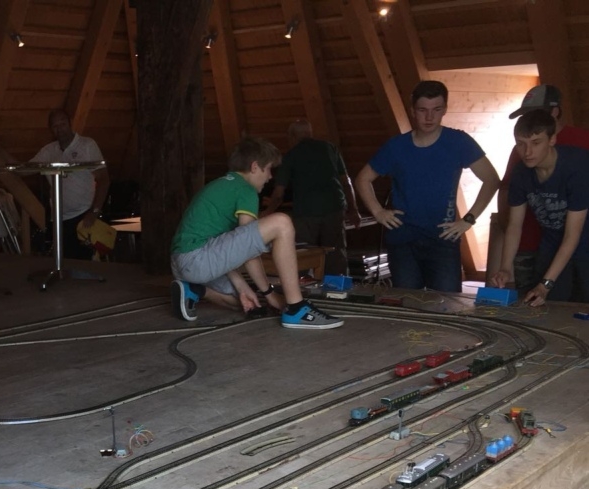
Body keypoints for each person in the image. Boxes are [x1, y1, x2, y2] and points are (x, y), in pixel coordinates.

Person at [169, 136, 344, 330]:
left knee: (249, 301)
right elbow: (249, 250)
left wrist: (243, 286)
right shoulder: (245, 189)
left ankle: (194, 290)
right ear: (254, 167)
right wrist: (269, 292)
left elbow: (223, 245)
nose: (270, 177)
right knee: (282, 222)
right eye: (268, 169)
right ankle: (296, 308)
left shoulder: (220, 185)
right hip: (198, 260)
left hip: (184, 263)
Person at [355, 80, 500, 292]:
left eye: (436, 110)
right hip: (403, 240)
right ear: (413, 111)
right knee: (408, 303)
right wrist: (378, 211)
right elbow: (362, 179)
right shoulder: (396, 146)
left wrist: (468, 219)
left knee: (447, 304)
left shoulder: (458, 142)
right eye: (423, 110)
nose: (429, 117)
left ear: (445, 110)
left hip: (443, 238)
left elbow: (492, 179)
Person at [493, 84, 589, 292]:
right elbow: (514, 225)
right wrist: (505, 267)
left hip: (582, 239)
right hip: (551, 241)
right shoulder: (521, 170)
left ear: (551, 139)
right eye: (521, 143)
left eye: (536, 142)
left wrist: (546, 284)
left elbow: (573, 234)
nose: (527, 151)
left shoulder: (578, 164)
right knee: (548, 300)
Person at [261, 120, 361, 275]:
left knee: (305, 254)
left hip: (306, 213)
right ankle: (338, 287)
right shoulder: (330, 148)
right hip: (334, 208)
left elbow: (278, 195)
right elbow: (346, 182)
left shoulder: (291, 156)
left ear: (292, 136)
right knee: (335, 254)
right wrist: (354, 209)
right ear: (310, 133)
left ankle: (305, 285)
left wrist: (266, 213)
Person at [31, 108, 110, 260]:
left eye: (63, 124)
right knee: (65, 263)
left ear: (70, 123)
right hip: (59, 219)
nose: (60, 129)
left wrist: (94, 212)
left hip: (83, 216)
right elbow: (26, 169)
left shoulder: (86, 145)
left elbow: (104, 179)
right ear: (51, 129)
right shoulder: (49, 151)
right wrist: (0, 153)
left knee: (85, 264)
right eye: (55, 126)